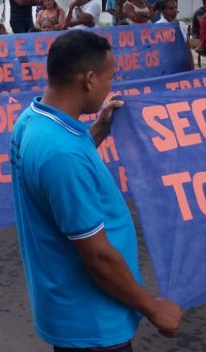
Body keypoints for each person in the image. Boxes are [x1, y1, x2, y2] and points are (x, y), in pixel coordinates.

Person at [10, 30, 182, 351]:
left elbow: (58, 172)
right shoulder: (61, 153)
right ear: (89, 79)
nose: (110, 87)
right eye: (109, 78)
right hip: (92, 321)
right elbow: (98, 257)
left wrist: (98, 130)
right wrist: (152, 307)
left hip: (69, 307)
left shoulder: (34, 120)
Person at [155, 0, 193, 70]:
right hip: (166, 66)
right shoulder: (157, 27)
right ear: (162, 11)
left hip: (182, 63)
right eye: (171, 9)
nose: (175, 11)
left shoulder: (182, 25)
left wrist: (191, 66)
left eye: (175, 8)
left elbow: (187, 48)